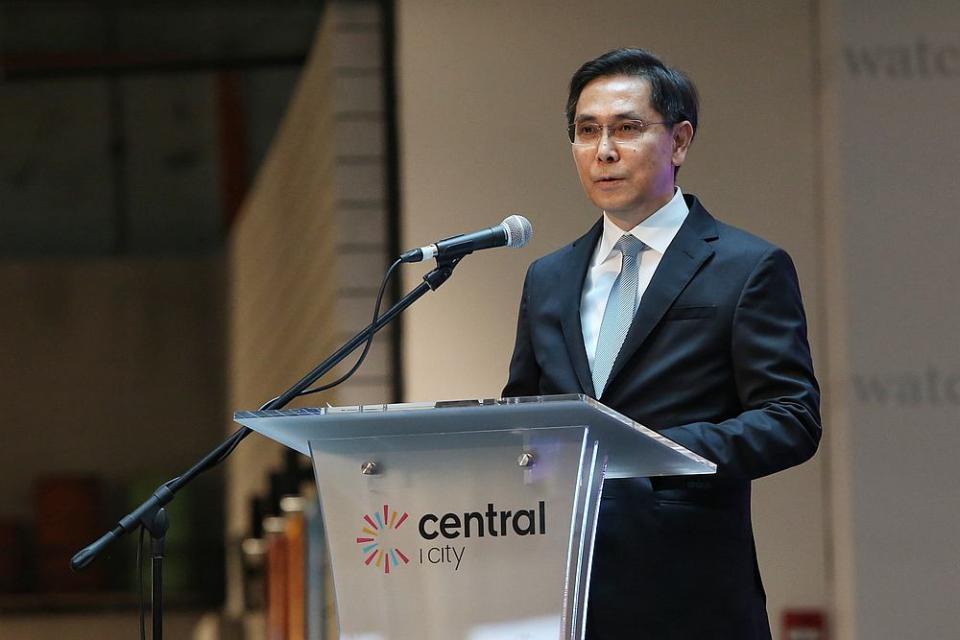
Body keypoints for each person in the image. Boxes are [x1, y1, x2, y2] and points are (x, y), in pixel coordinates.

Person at [502, 48, 821, 639]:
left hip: (690, 593)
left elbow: (792, 419)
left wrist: (651, 451)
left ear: (678, 142)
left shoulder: (747, 267)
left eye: (626, 129)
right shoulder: (548, 277)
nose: (603, 151)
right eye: (585, 131)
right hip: (562, 594)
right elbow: (525, 413)